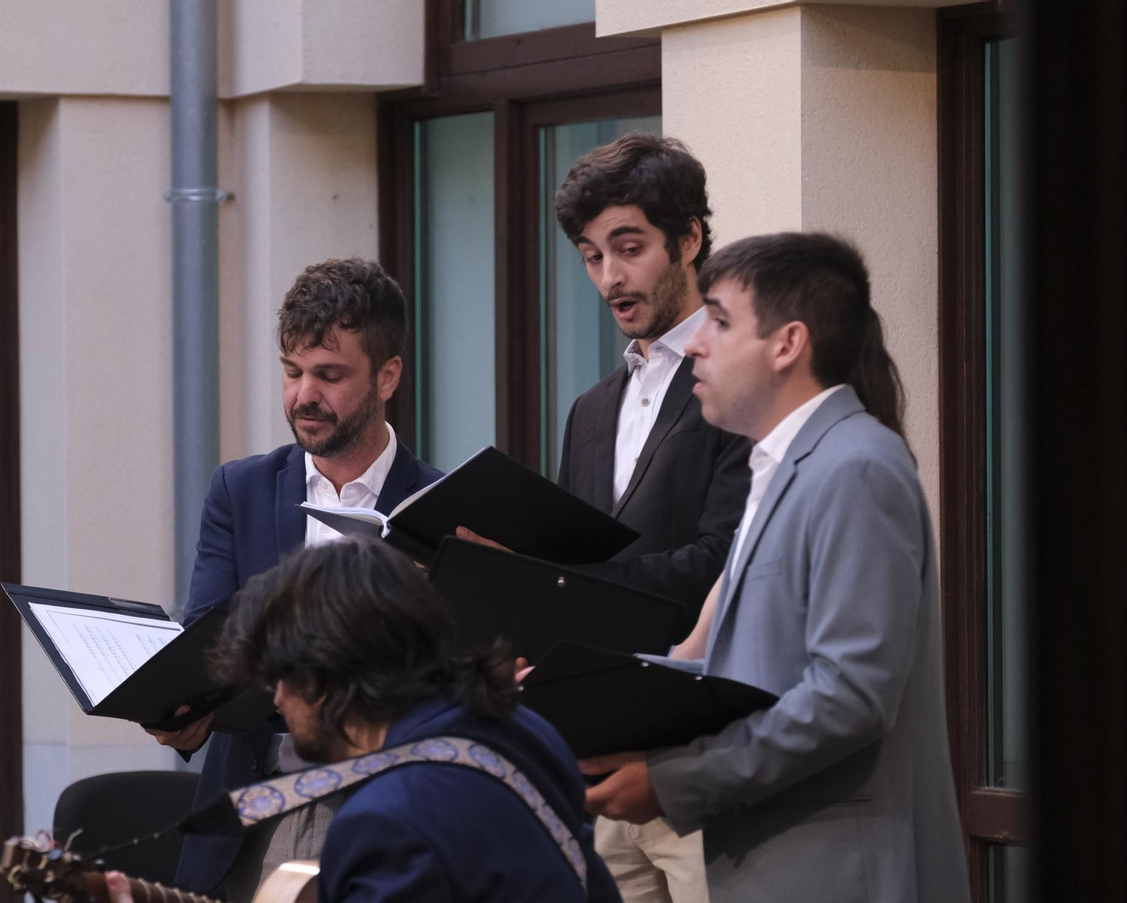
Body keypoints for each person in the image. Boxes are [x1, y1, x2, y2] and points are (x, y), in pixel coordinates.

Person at [582, 233, 970, 903]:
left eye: (719, 321)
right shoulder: (781, 468)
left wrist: (675, 781)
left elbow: (849, 697)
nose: (695, 344)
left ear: (788, 344)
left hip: (839, 877)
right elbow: (733, 672)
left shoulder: (855, 466)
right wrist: (573, 689)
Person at [464, 132, 748, 903]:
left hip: (703, 756)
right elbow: (576, 560)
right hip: (600, 766)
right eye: (592, 256)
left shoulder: (737, 382)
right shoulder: (591, 410)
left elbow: (727, 559)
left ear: (688, 239)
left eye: (629, 248)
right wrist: (512, 585)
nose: (609, 278)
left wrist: (562, 581)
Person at [152, 258, 443, 900]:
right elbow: (209, 640)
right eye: (292, 372)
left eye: (329, 375)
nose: (304, 395)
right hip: (250, 810)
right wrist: (181, 707)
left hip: (390, 808)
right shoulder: (241, 489)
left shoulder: (444, 506)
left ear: (388, 375)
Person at [193, 538, 621, 902]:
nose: (278, 699)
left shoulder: (385, 822)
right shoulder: (521, 728)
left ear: (321, 675)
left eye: (280, 678)